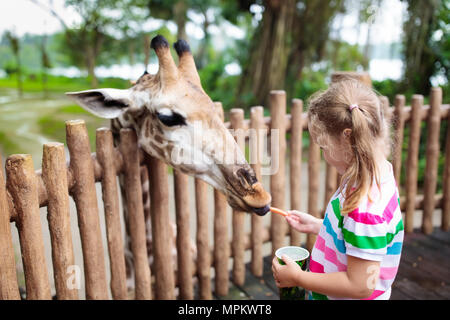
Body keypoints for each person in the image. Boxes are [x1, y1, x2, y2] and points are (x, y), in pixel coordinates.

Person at [272, 79, 404, 300]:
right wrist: (318, 226)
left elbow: (361, 286)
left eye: (323, 147)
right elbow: (353, 237)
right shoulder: (380, 174)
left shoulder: (365, 210)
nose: (323, 154)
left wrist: (298, 278)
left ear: (346, 139)